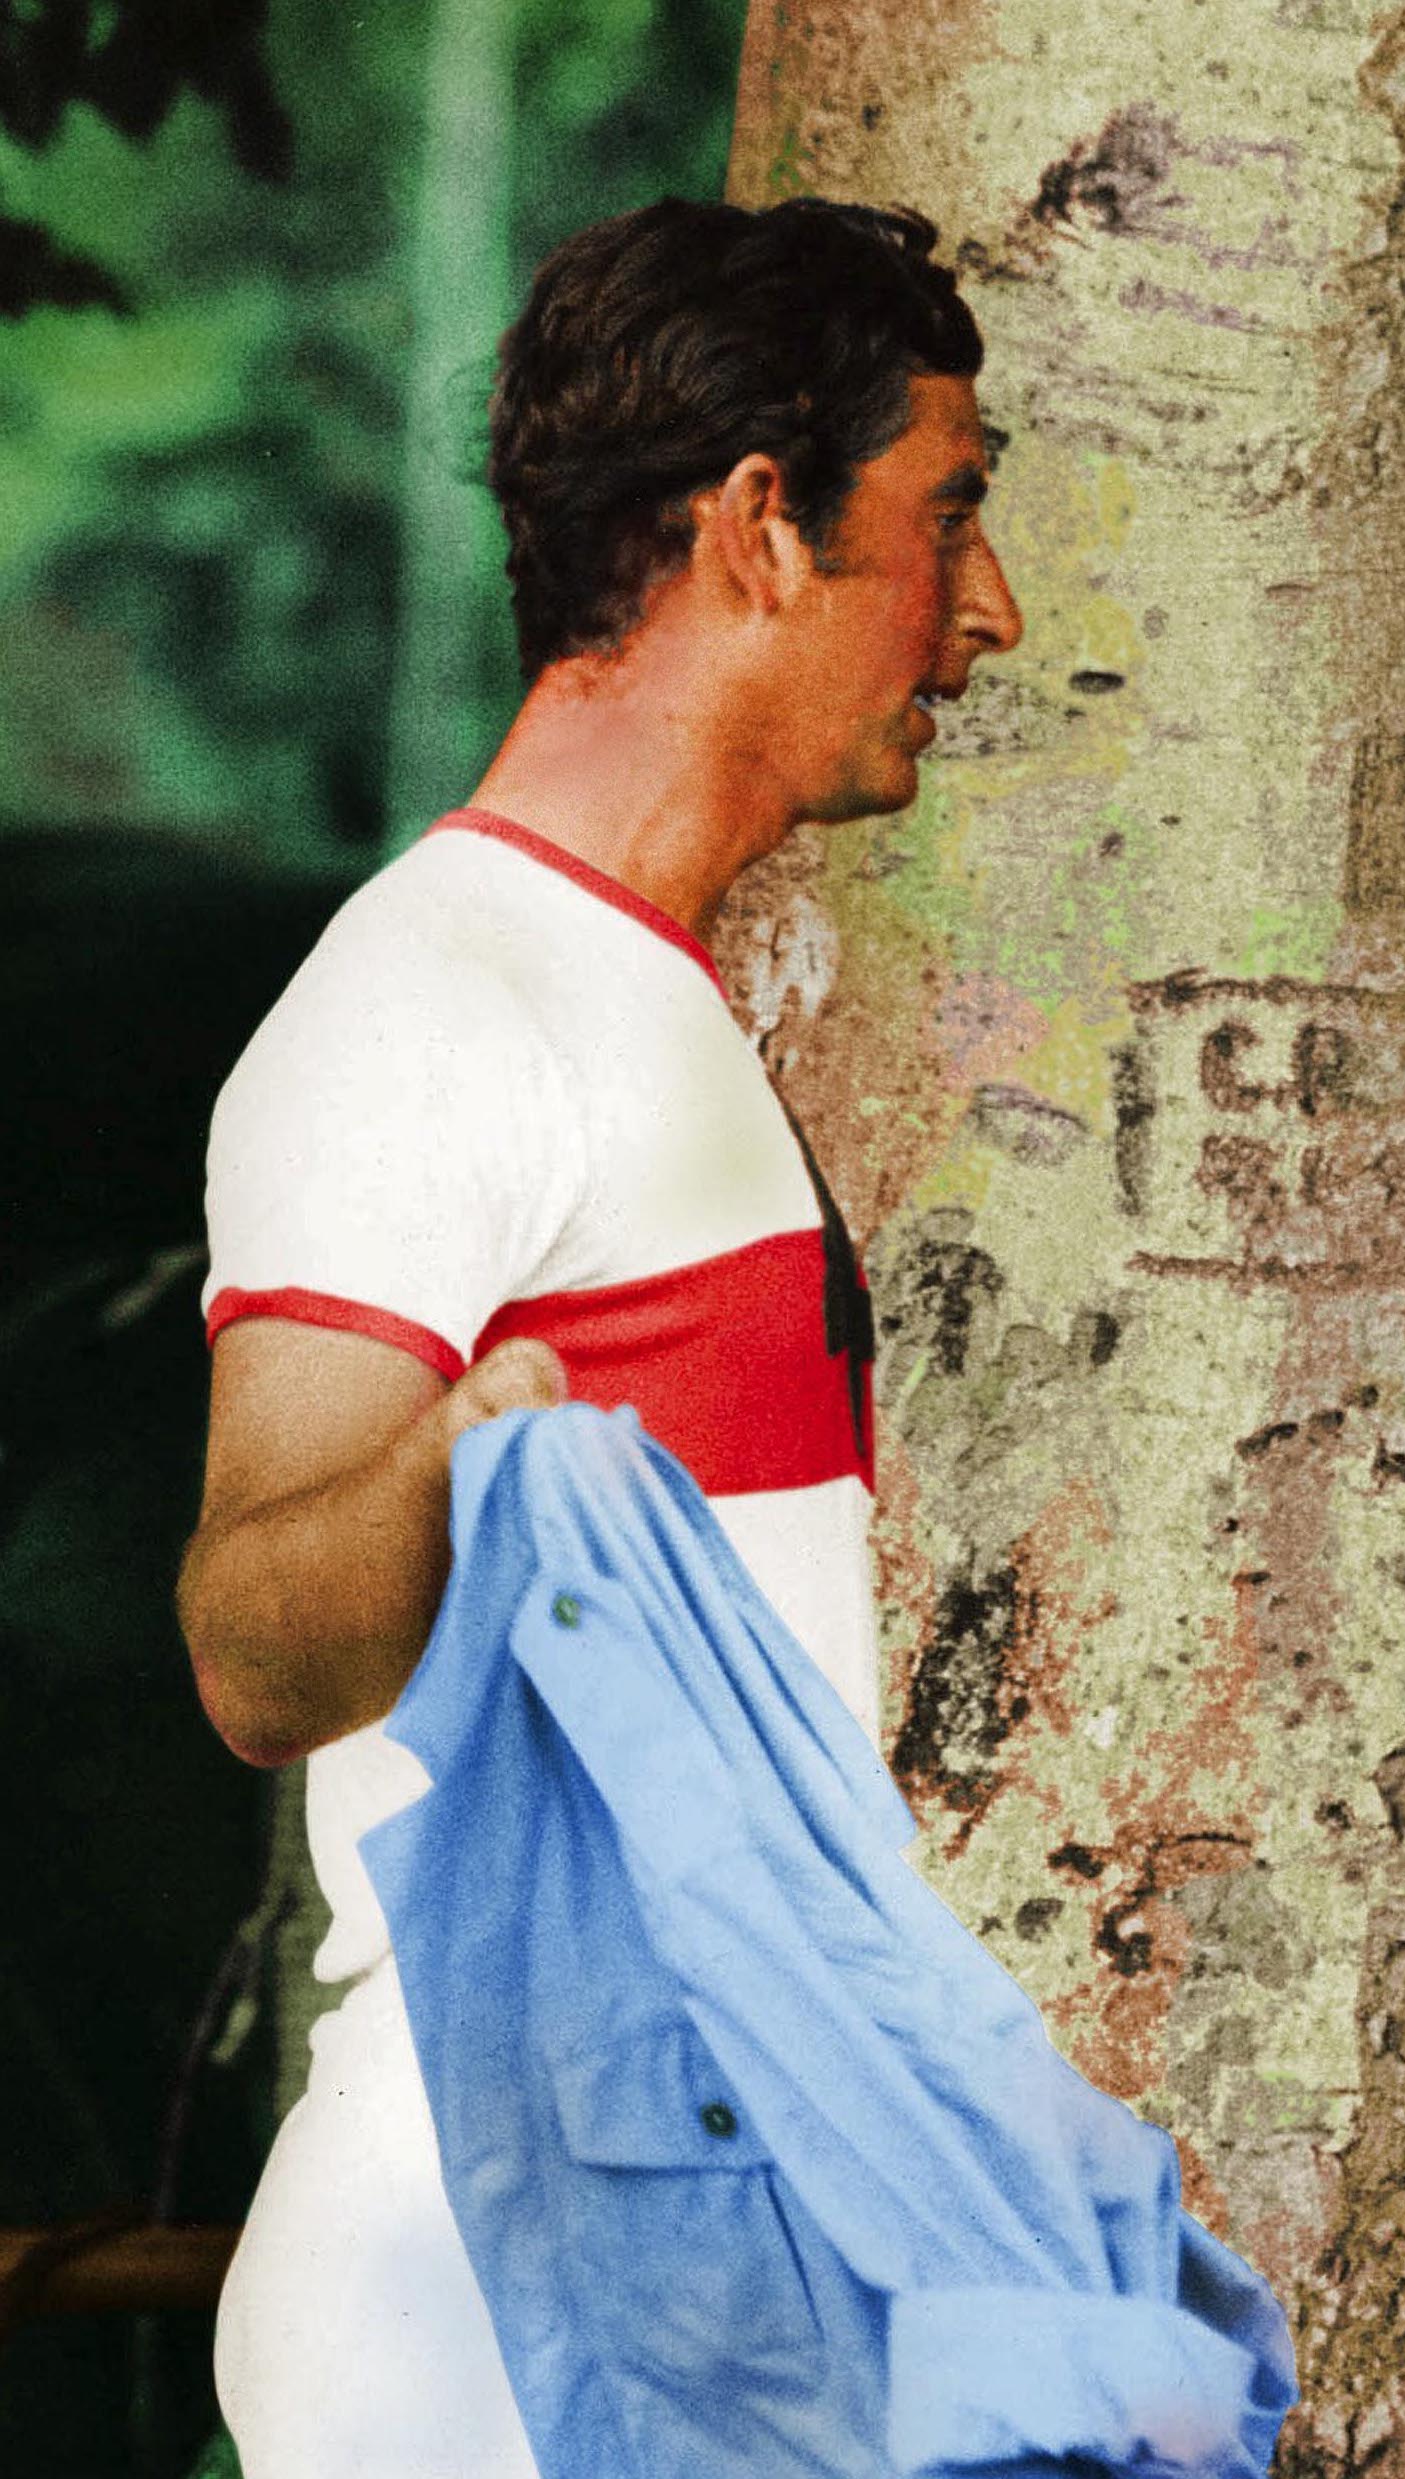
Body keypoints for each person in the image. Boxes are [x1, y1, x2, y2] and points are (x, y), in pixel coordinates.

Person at [180, 195, 1021, 2475]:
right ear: (762, 523)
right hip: (490, 2303)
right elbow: (259, 1647)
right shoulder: (433, 1004)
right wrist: (460, 1461)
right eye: (945, 517)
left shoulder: (636, 993)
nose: (992, 613)